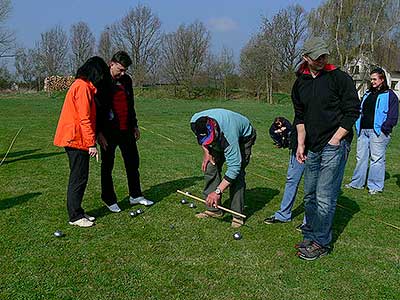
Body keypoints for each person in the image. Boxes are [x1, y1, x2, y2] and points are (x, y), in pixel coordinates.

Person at [292, 37, 360, 260]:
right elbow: (300, 115)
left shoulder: (339, 78)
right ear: (306, 58)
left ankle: (321, 242)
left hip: (335, 144)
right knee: (310, 193)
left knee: (324, 196)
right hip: (312, 145)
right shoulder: (300, 82)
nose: (322, 59)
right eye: (317, 56)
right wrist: (301, 144)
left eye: (324, 55)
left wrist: (336, 139)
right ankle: (310, 234)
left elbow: (352, 111)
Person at [54, 56, 112, 227]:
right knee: (78, 177)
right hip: (75, 139)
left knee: (80, 176)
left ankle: (78, 210)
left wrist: (94, 137)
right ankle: (75, 217)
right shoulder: (82, 87)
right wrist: (91, 144)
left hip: (78, 139)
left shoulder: (85, 87)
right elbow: (84, 119)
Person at [98, 51, 153, 213]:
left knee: (132, 163)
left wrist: (134, 125)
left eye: (124, 71)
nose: (122, 73)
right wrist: (98, 133)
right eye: (120, 69)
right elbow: (97, 109)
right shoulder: (101, 81)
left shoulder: (126, 81)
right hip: (108, 132)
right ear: (111, 63)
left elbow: (130, 104)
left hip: (126, 129)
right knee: (108, 165)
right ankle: (109, 199)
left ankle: (135, 195)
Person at [190, 109, 256, 228]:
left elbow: (234, 168)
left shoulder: (229, 134)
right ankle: (214, 210)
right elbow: (201, 140)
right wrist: (206, 152)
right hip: (220, 134)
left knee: (237, 175)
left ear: (214, 127)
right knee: (211, 167)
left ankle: (237, 215)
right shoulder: (195, 122)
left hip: (243, 138)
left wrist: (218, 191)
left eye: (211, 138)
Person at [264, 123, 306, 229]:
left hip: (316, 148)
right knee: (291, 180)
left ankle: (308, 222)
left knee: (312, 186)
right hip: (298, 148)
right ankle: (283, 215)